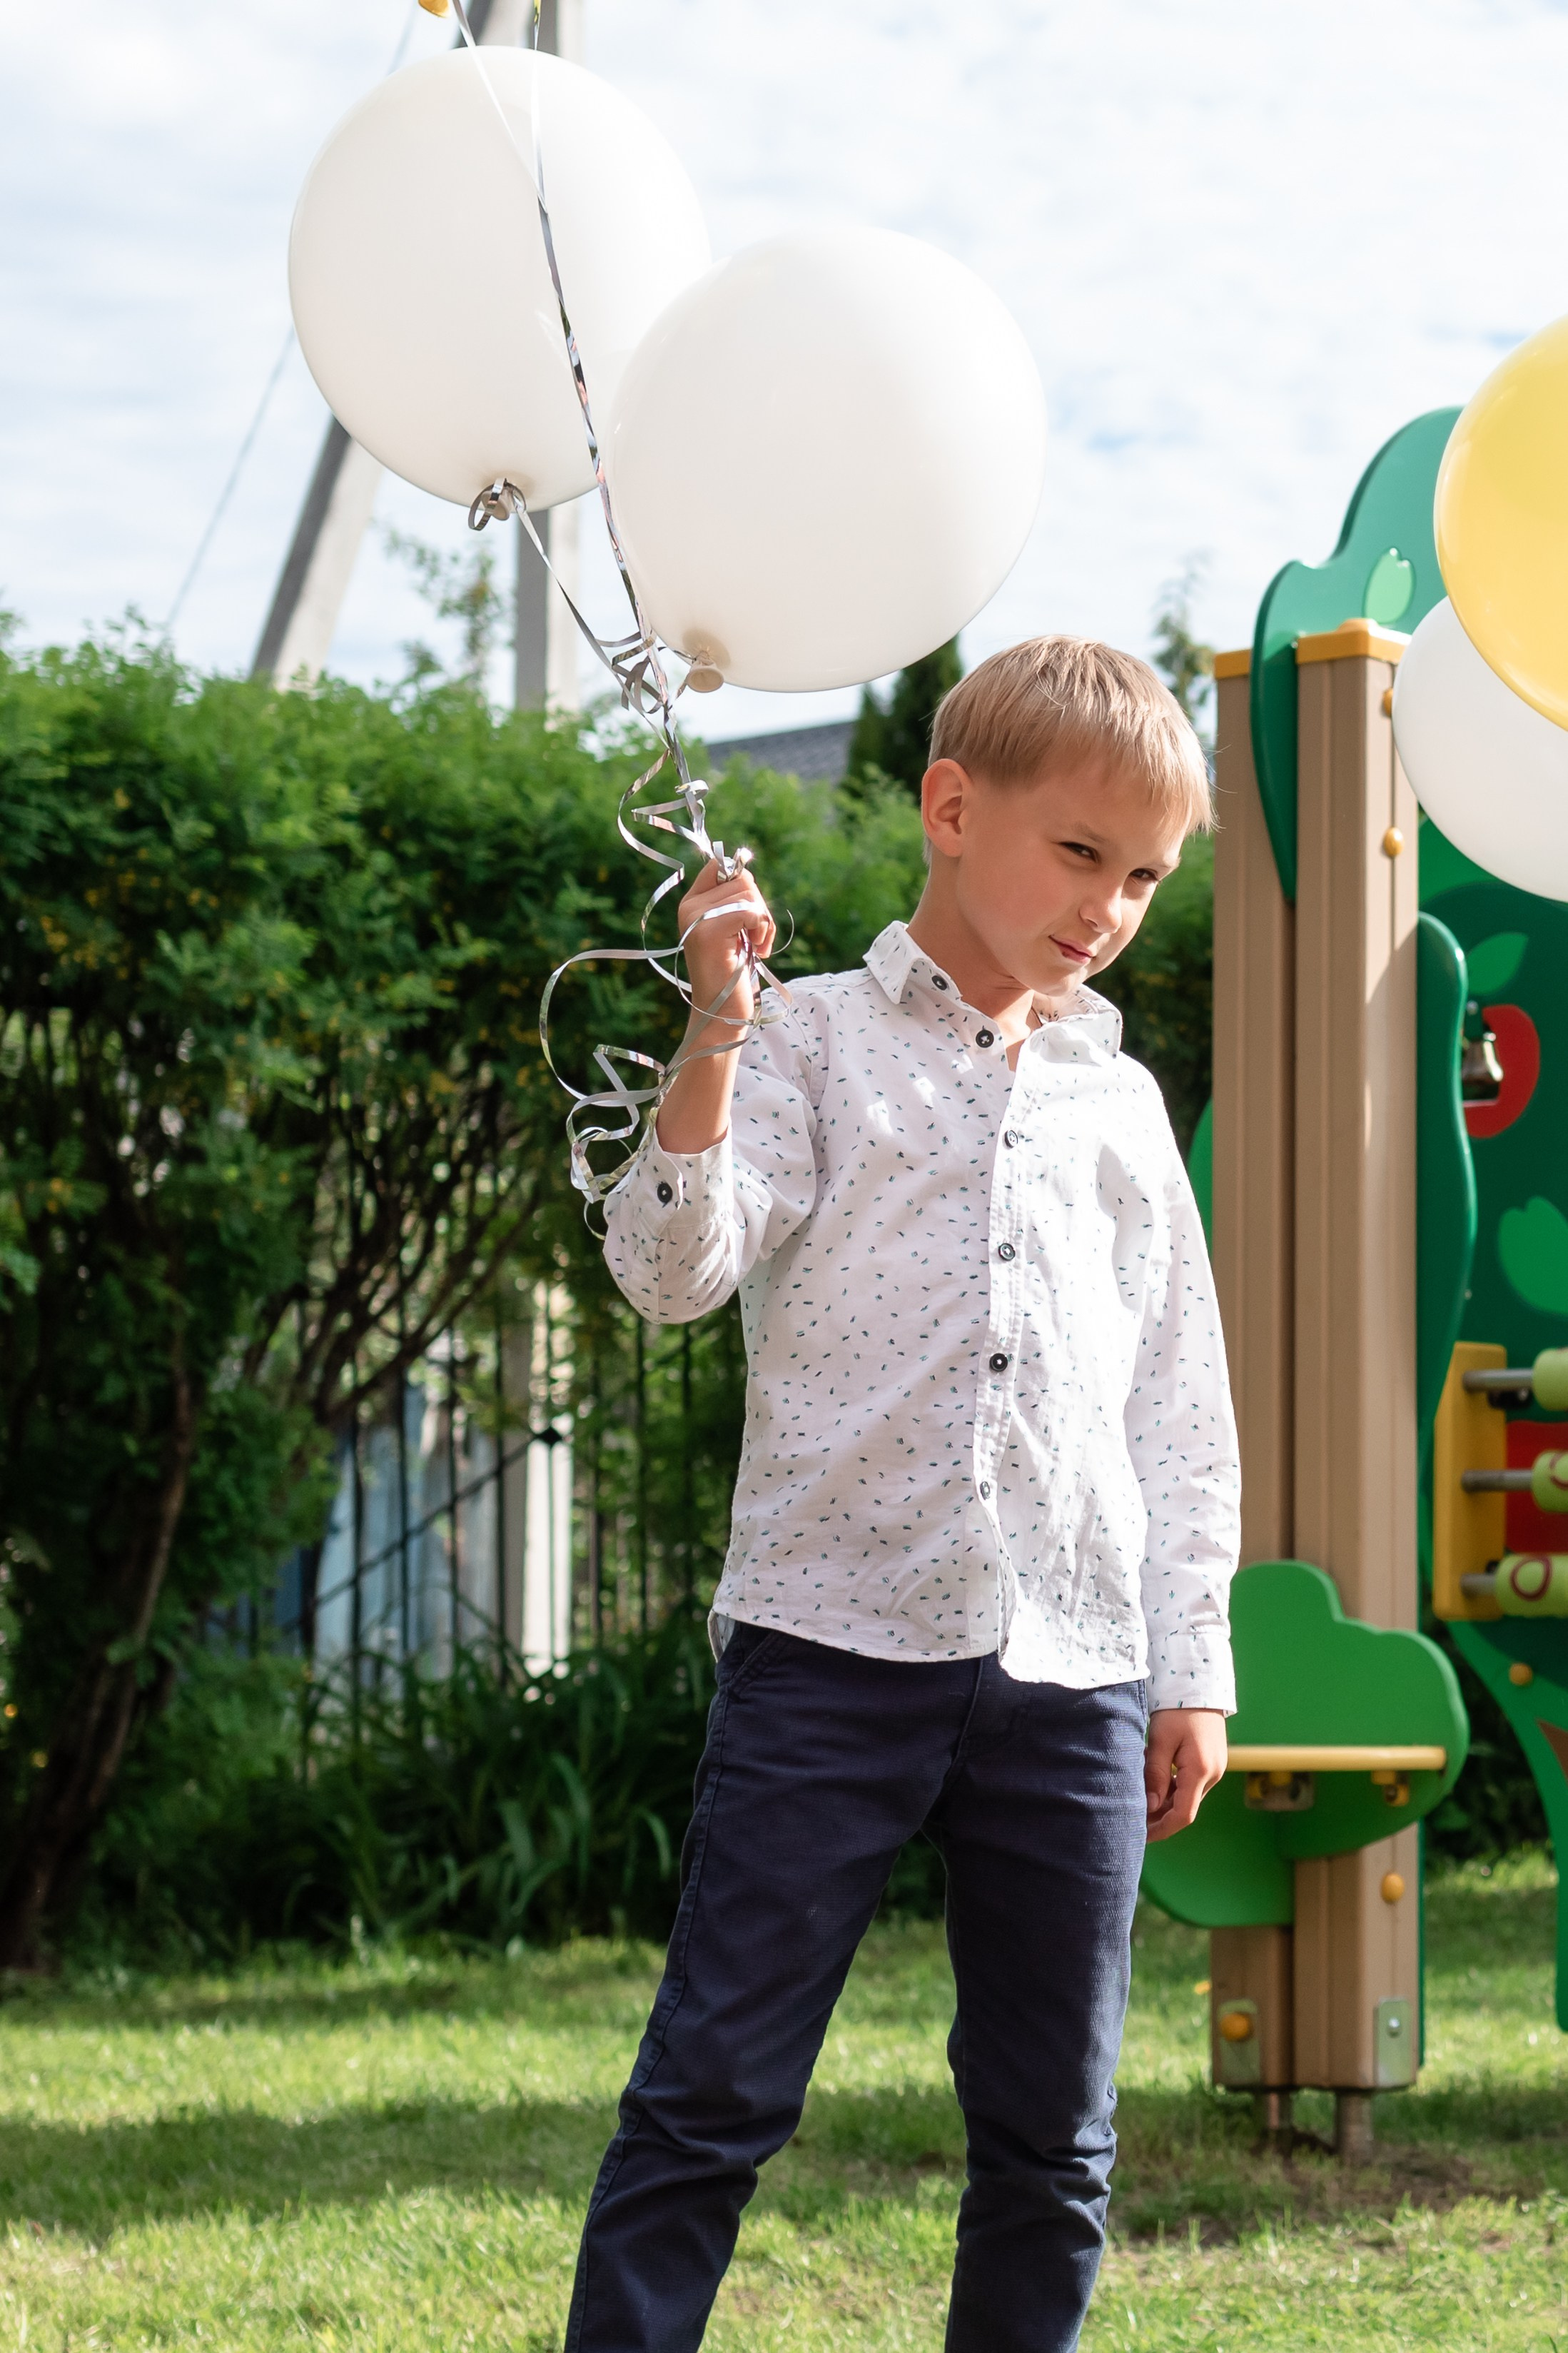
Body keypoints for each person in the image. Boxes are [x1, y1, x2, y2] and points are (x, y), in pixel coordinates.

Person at [565, 635, 1240, 2353]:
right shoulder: (805, 1042)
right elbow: (669, 1268)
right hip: (825, 1651)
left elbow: (1175, 1403)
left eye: (1147, 877)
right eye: (1078, 853)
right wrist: (712, 1029)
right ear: (952, 808)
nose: (1107, 907)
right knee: (710, 2096)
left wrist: (1192, 1663)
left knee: (1054, 2142)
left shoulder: (1123, 1102)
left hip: (1073, 1673)